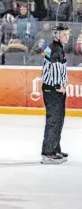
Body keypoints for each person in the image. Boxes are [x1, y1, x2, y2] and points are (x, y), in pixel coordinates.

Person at [41, 23, 70, 164]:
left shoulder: (53, 47)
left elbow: (43, 57)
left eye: (68, 34)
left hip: (52, 89)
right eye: (64, 34)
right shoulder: (55, 49)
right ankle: (48, 153)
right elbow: (55, 68)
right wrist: (59, 86)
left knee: (58, 120)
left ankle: (54, 149)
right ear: (57, 35)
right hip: (53, 90)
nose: (67, 36)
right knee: (54, 121)